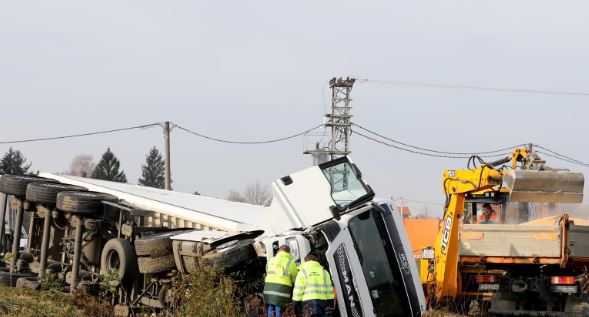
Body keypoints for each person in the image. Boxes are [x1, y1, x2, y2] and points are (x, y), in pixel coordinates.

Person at [264, 245, 299, 317]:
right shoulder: (290, 262)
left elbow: (267, 271)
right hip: (282, 288)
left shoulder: (271, 260)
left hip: (269, 287)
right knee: (278, 307)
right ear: (288, 253)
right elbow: (295, 277)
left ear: (279, 251)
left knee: (270, 306)